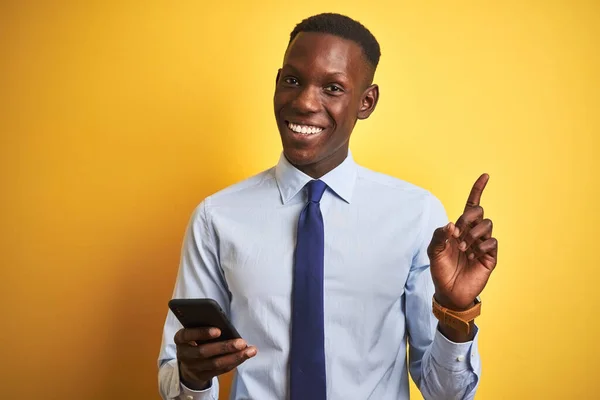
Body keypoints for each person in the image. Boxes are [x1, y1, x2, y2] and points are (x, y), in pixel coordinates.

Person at [158, 12, 498, 400]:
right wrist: (193, 377)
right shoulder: (216, 218)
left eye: (332, 88)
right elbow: (176, 375)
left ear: (366, 102)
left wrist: (456, 311)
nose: (304, 102)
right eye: (292, 80)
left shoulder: (416, 216)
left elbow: (446, 394)